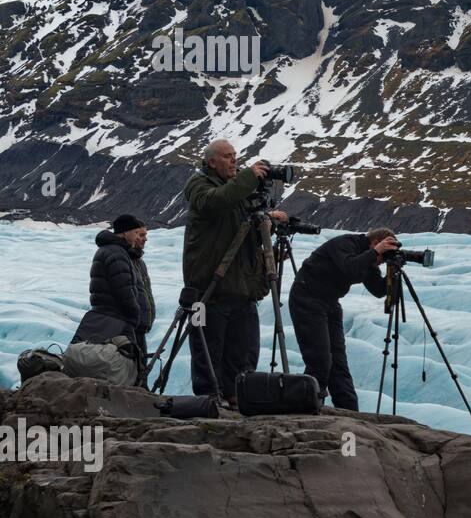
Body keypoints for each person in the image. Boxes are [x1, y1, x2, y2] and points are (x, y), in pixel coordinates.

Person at [182, 139, 287, 406]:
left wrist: (268, 221)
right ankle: (209, 399)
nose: (234, 161)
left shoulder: (238, 191)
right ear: (211, 161)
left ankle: (237, 395)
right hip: (210, 288)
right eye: (228, 157)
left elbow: (245, 231)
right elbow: (215, 203)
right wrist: (249, 178)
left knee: (244, 351)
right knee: (209, 350)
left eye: (235, 156)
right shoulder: (199, 185)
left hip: (242, 289)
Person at [288, 228, 398, 410]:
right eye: (383, 254)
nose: (381, 260)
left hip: (330, 302)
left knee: (338, 362)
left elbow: (378, 290)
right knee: (320, 360)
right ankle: (306, 408)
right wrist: (375, 253)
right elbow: (350, 267)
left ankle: (349, 411)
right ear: (375, 242)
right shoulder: (346, 243)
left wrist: (393, 272)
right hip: (307, 297)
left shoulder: (369, 258)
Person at [71, 214, 157, 382]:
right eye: (137, 233)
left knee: (132, 369)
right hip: (121, 323)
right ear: (125, 233)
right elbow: (125, 290)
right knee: (130, 370)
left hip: (122, 322)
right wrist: (134, 318)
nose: (142, 238)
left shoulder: (118, 253)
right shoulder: (116, 253)